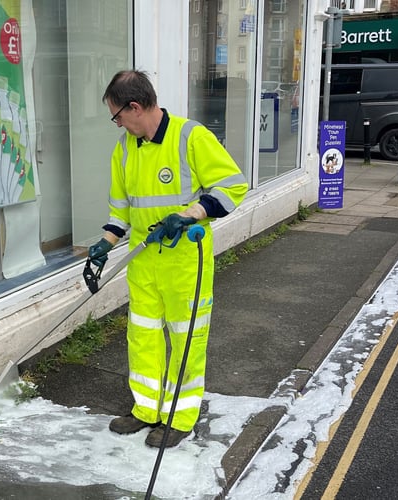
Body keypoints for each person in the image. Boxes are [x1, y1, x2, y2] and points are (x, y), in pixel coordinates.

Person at [89, 69, 248, 448]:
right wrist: (104, 244)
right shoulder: (125, 149)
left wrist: (190, 214)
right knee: (142, 336)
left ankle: (180, 416)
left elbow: (233, 186)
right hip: (143, 262)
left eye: (117, 116)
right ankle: (146, 408)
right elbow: (121, 210)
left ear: (135, 106)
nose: (118, 125)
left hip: (184, 263)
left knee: (186, 339)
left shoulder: (191, 136)